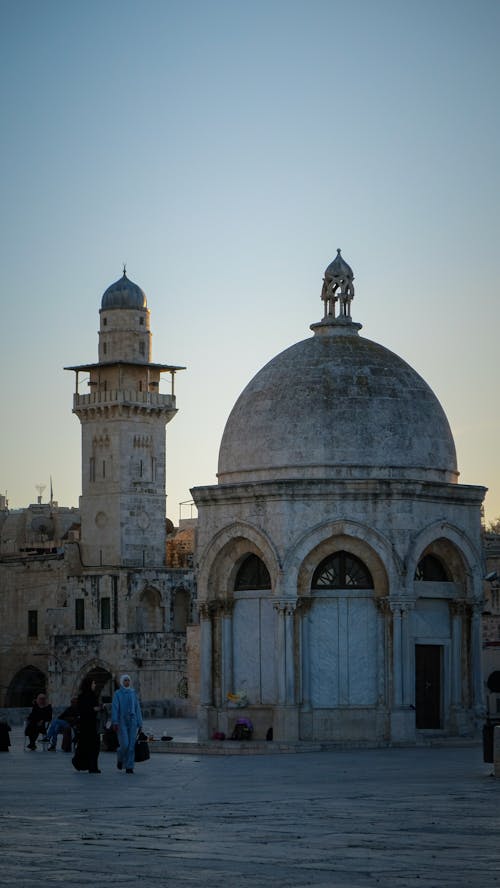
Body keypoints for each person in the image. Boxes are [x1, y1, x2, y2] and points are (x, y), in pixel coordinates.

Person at [111, 674, 143, 774]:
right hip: (122, 722)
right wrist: (115, 721)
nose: (127, 682)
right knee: (124, 744)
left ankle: (129, 766)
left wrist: (140, 723)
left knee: (131, 745)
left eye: (128, 680)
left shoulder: (133, 693)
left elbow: (137, 708)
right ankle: (120, 758)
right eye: (125, 680)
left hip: (132, 721)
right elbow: (115, 708)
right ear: (121, 682)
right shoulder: (118, 694)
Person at [72, 678, 103, 773]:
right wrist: (93, 709)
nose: (95, 685)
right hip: (85, 725)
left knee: (94, 746)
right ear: (89, 684)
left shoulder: (94, 696)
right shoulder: (82, 697)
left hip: (93, 725)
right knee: (85, 746)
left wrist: (99, 708)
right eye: (93, 683)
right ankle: (79, 763)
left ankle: (92, 767)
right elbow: (82, 710)